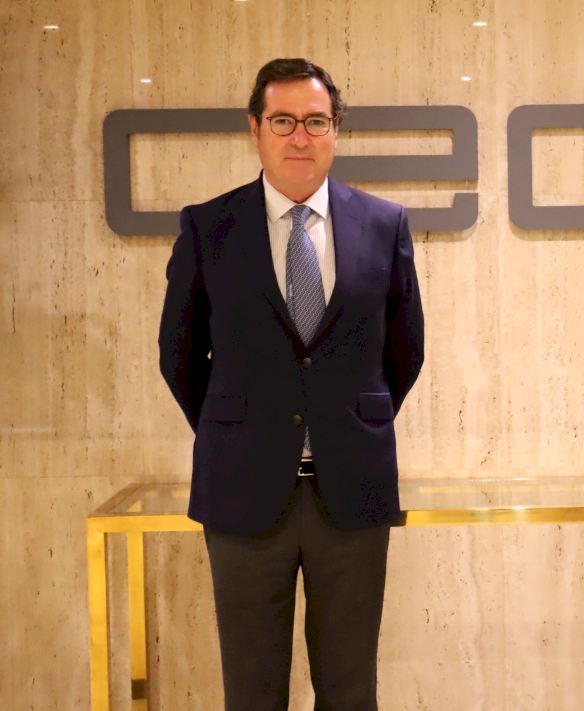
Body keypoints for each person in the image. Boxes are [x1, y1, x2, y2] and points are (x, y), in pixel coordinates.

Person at [158, 57, 424, 710]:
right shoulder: (208, 226)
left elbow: (405, 350)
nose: (300, 137)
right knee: (251, 691)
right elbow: (178, 354)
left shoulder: (384, 224)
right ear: (255, 129)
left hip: (352, 491)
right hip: (243, 491)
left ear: (336, 130)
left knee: (351, 689)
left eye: (315, 121)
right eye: (283, 121)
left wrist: (346, 423)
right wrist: (239, 429)